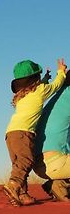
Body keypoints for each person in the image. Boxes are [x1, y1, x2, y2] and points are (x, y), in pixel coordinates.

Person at [3, 58, 67, 206]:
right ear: (35, 79)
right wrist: (61, 72)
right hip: (24, 133)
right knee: (27, 160)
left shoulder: (22, 95)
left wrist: (45, 79)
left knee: (18, 164)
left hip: (10, 133)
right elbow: (56, 86)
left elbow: (39, 87)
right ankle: (13, 185)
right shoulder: (40, 91)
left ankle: (22, 194)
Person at [34, 72, 70, 201]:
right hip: (55, 161)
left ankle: (58, 184)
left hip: (41, 164)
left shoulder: (59, 97)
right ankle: (60, 184)